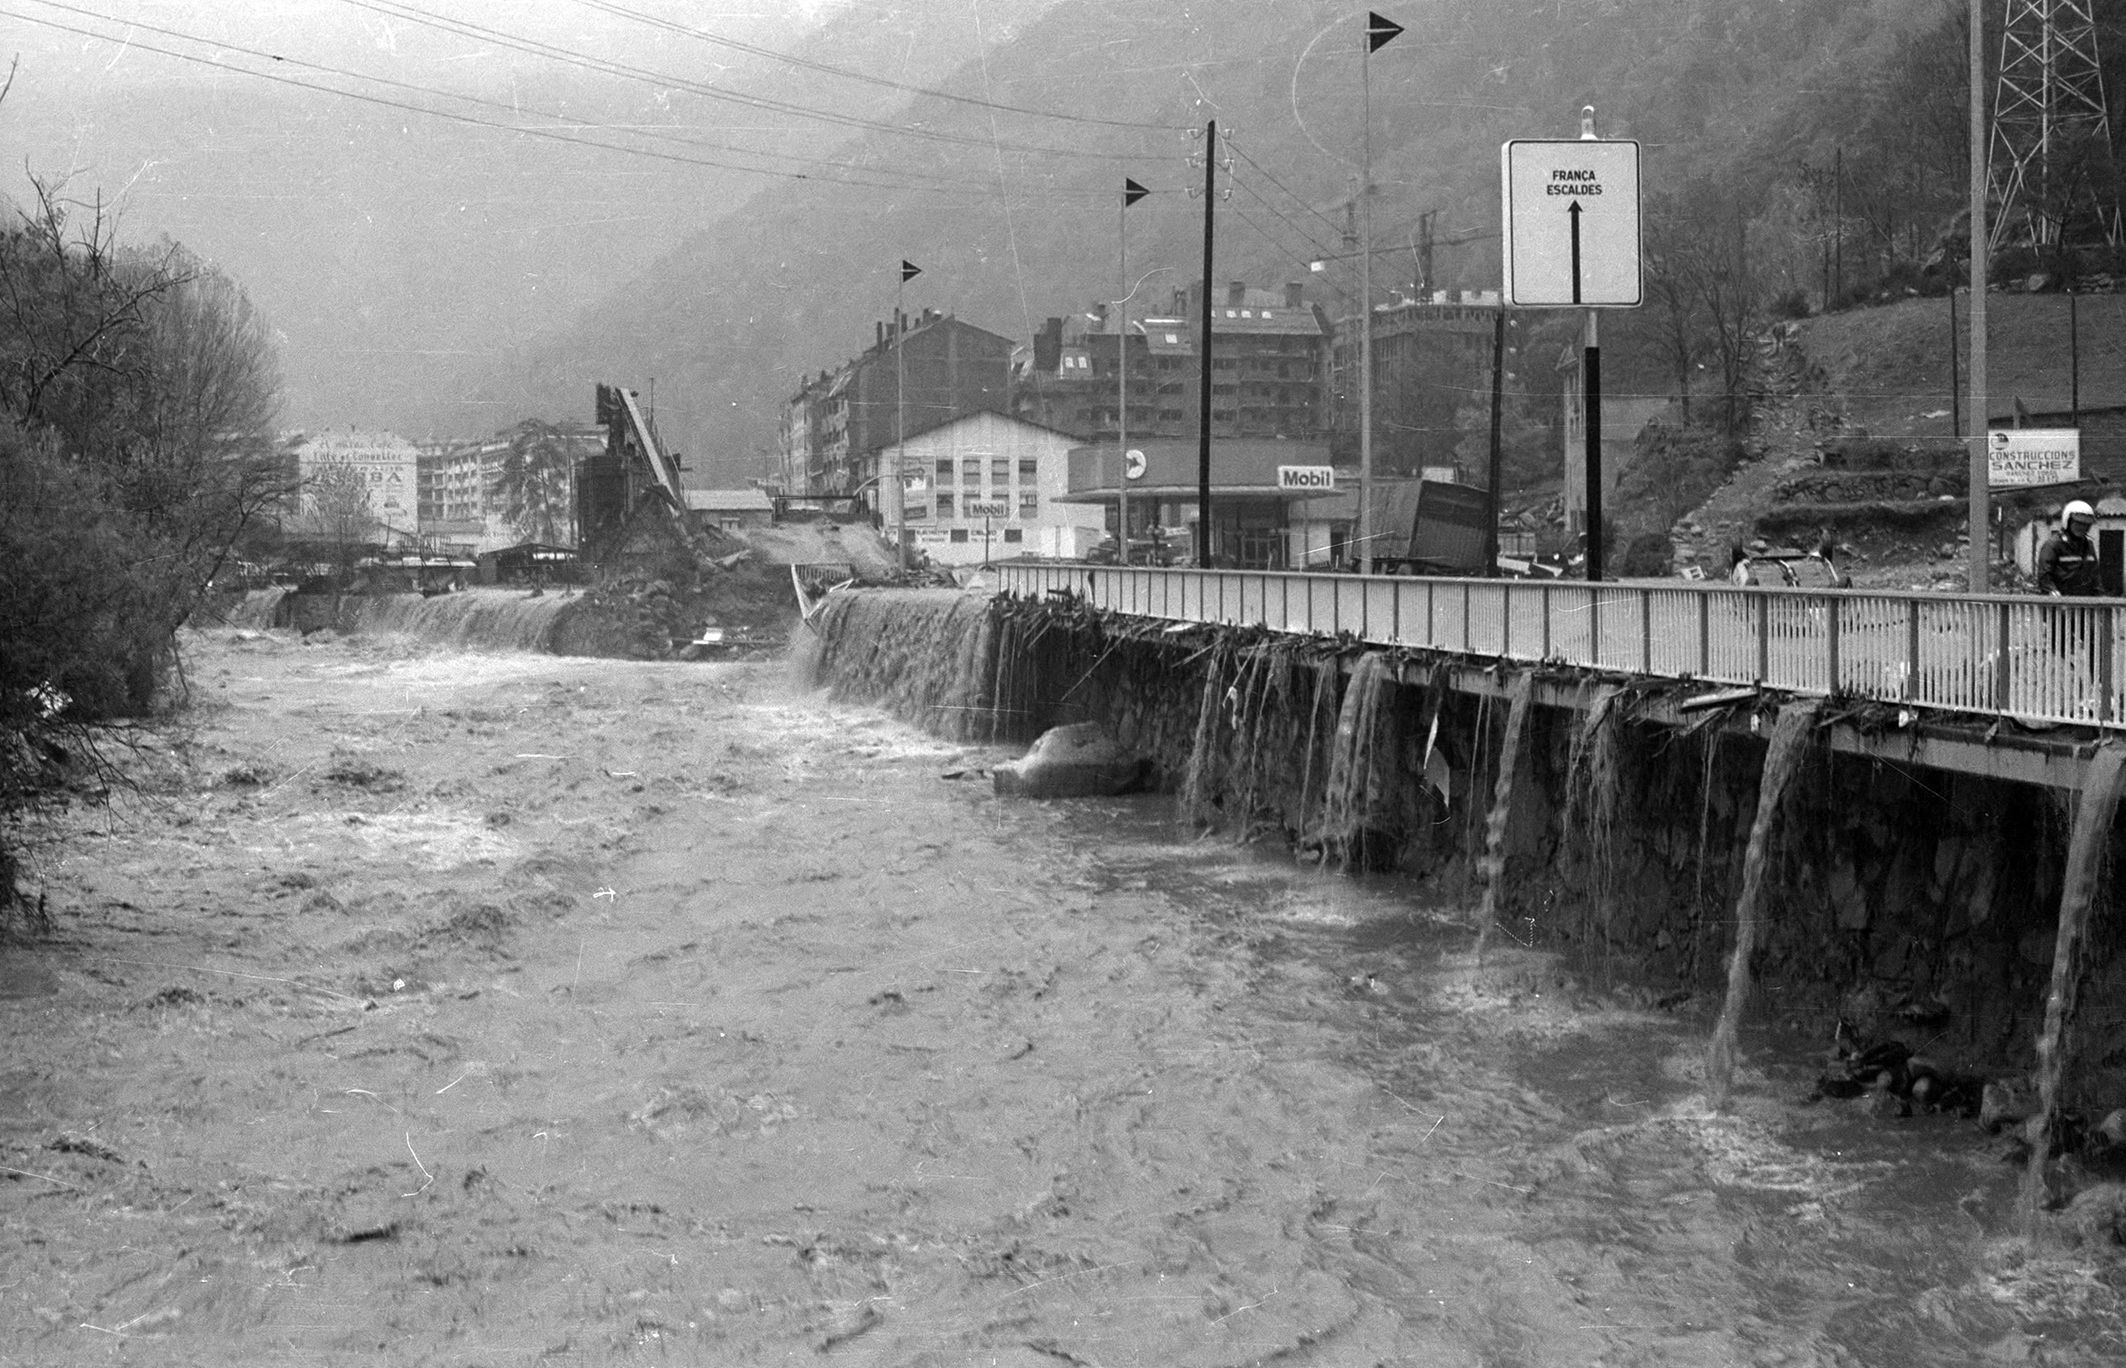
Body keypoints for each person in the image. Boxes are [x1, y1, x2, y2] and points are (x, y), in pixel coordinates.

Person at [2038, 500, 2103, 597]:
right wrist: (2052, 591)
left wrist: (2100, 597)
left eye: (2086, 524)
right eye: (2078, 523)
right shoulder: (2053, 545)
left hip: (2085, 605)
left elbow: (2095, 576)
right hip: (2061, 605)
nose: (2082, 527)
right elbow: (2045, 575)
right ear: (2067, 521)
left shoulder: (2088, 545)